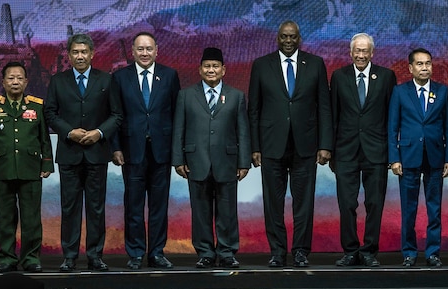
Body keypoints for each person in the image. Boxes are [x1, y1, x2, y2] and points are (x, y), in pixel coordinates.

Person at [248, 20, 333, 268]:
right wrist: (255, 147)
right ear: (277, 38)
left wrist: (325, 144)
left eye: (292, 37)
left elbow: (324, 108)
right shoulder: (262, 65)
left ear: (299, 39)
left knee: (303, 202)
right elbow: (254, 109)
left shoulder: (315, 64)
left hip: (305, 146)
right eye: (284, 36)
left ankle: (300, 251)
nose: (288, 41)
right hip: (271, 146)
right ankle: (277, 251)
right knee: (272, 203)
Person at [45, 33, 121, 272]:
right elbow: (50, 113)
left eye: (84, 52)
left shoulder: (106, 80)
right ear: (69, 55)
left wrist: (99, 132)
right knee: (70, 207)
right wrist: (69, 132)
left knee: (96, 207)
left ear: (92, 54)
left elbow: (117, 115)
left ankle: (95, 256)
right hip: (69, 153)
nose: (80, 56)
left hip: (97, 153)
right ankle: (69, 256)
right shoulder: (58, 81)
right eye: (75, 52)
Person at [172, 47, 251, 268]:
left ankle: (227, 252)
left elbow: (243, 131)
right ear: (199, 69)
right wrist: (178, 160)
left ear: (223, 70)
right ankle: (205, 252)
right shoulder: (186, 95)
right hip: (196, 161)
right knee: (200, 211)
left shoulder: (236, 96)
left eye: (215, 66)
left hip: (227, 162)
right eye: (207, 66)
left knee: (227, 211)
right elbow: (179, 128)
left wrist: (244, 162)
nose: (211, 70)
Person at [111, 32, 180, 270]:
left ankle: (157, 253)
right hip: (132, 151)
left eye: (149, 49)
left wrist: (177, 151)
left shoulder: (169, 76)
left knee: (159, 206)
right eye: (140, 49)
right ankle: (136, 253)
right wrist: (116, 148)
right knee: (134, 205)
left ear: (156, 50)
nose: (144, 53)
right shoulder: (120, 78)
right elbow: (115, 116)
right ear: (132, 51)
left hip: (161, 151)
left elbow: (176, 115)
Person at [330, 33, 395, 267]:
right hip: (345, 151)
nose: (360, 55)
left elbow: (392, 116)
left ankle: (369, 251)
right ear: (350, 52)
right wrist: (330, 150)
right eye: (356, 50)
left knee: (374, 203)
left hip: (376, 151)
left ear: (372, 53)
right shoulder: (338, 77)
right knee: (346, 203)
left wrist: (392, 151)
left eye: (364, 51)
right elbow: (332, 116)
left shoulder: (386, 77)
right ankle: (350, 250)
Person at [0, 62, 54, 273]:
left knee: (31, 217)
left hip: (30, 168)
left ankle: (31, 258)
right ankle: (7, 258)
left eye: (19, 78)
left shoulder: (37, 106)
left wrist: (47, 162)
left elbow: (44, 138)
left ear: (26, 82)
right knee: (5, 217)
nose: (15, 82)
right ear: (3, 82)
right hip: (1, 169)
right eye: (10, 78)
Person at [388, 48, 448, 268]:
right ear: (410, 68)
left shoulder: (442, 91)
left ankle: (433, 252)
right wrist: (394, 159)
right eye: (420, 64)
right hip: (408, 157)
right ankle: (409, 253)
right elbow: (392, 127)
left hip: (435, 157)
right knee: (409, 208)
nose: (425, 68)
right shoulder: (400, 92)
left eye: (428, 64)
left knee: (434, 209)